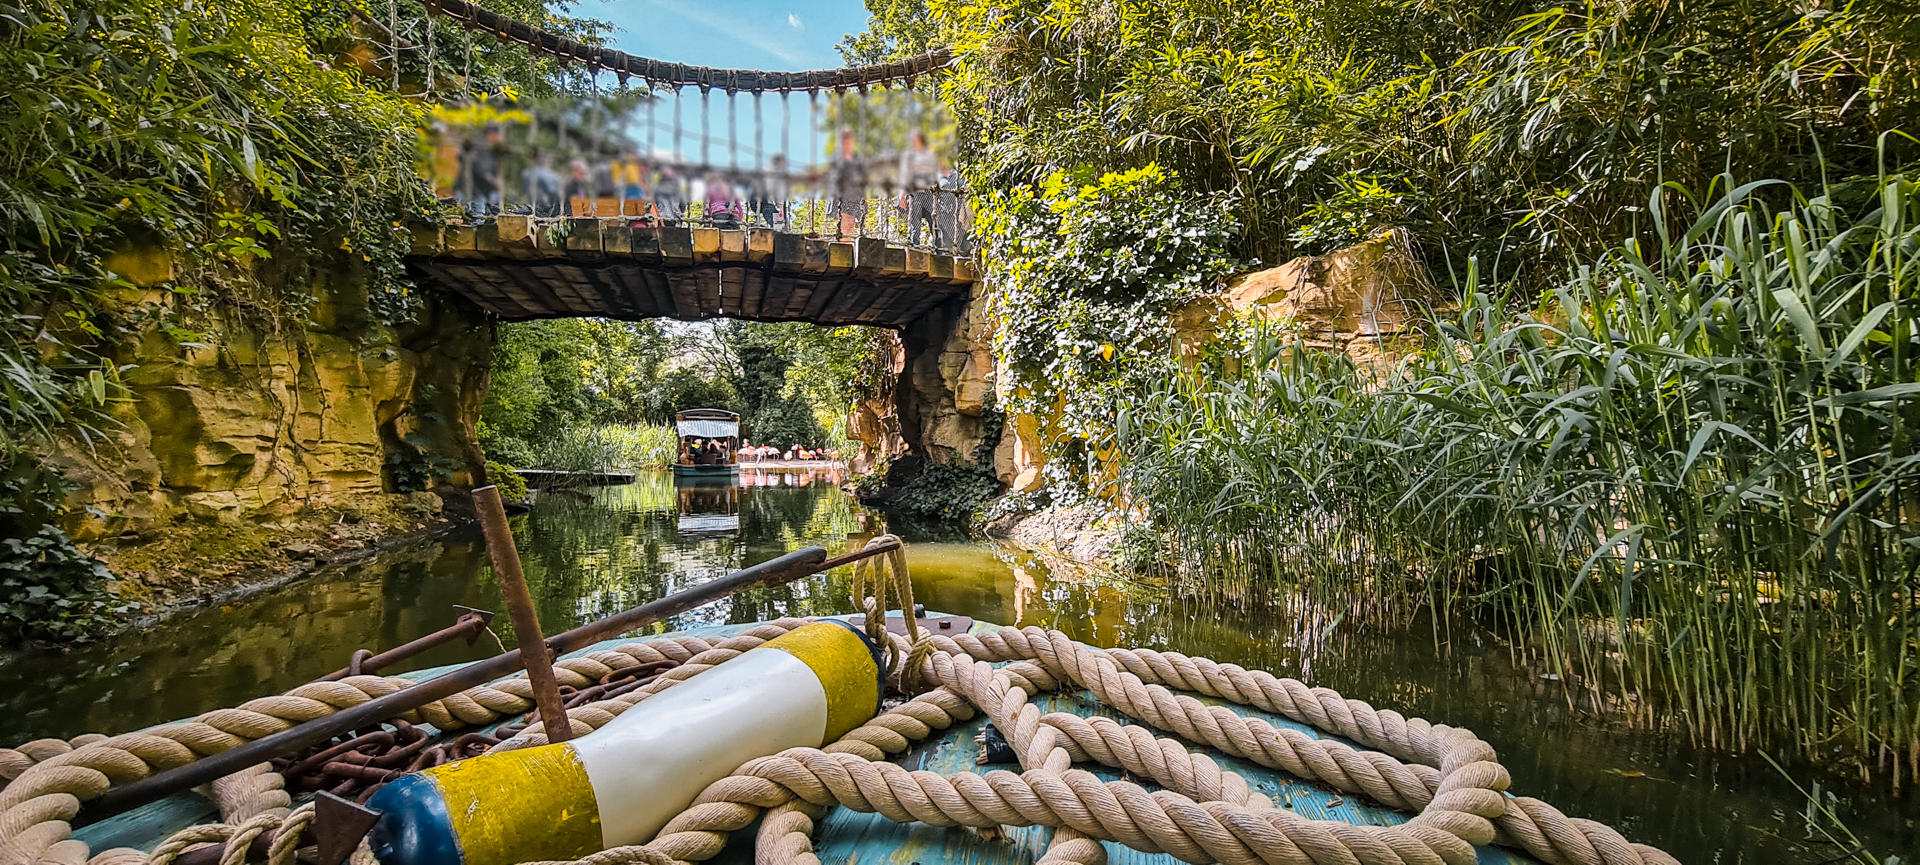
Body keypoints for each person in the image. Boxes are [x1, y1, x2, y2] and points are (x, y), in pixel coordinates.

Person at [899, 129, 938, 246]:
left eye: (917, 139)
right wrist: (902, 194)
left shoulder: (930, 155)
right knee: (915, 225)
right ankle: (915, 249)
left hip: (928, 193)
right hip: (914, 194)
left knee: (934, 222)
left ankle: (939, 250)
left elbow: (935, 173)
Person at [827, 127, 866, 239]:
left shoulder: (856, 159)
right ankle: (840, 254)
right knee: (842, 230)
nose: (846, 141)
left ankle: (846, 254)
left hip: (854, 197)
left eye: (848, 138)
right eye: (844, 138)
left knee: (849, 230)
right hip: (841, 197)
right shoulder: (836, 158)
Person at [457, 124, 503, 219]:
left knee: (478, 216)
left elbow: (494, 169)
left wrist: (495, 180)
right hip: (470, 187)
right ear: (491, 134)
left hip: (482, 191)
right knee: (472, 217)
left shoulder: (491, 150)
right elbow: (465, 159)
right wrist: (486, 175)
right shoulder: (479, 145)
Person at [752, 154, 791, 229]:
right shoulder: (774, 172)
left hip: (761, 201)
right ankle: (777, 234)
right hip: (764, 200)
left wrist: (780, 208)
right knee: (776, 224)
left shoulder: (768, 170)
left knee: (776, 219)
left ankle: (776, 231)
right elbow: (775, 191)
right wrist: (779, 207)